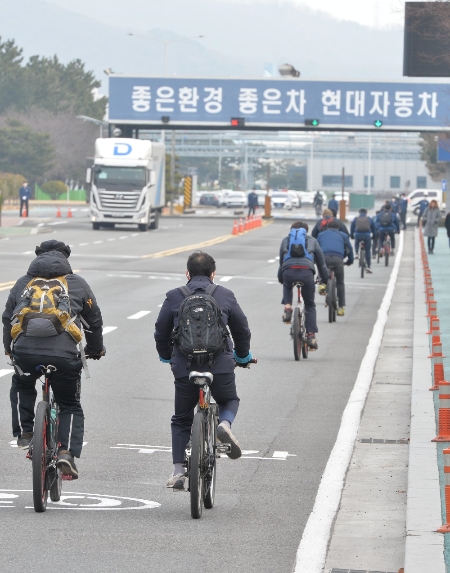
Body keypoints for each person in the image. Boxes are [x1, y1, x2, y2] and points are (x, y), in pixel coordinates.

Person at [2, 240, 105, 479]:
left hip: (25, 353)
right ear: (66, 259)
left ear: (37, 257)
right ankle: (65, 453)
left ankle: (26, 432)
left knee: (21, 384)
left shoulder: (23, 283)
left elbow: (8, 318)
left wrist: (10, 348)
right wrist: (96, 349)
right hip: (64, 356)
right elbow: (94, 321)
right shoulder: (77, 283)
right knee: (69, 404)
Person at [154, 251, 252, 490]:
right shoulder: (225, 295)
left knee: (181, 419)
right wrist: (242, 356)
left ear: (187, 273)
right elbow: (241, 330)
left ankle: (178, 471)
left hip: (185, 367)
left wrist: (167, 357)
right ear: (213, 274)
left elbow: (161, 331)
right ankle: (225, 425)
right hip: (219, 366)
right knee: (229, 400)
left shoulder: (174, 296)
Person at [277, 221, 329, 349]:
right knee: (310, 305)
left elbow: (281, 262)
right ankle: (311, 336)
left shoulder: (285, 240)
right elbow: (321, 263)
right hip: (306, 272)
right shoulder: (312, 241)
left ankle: (288, 309)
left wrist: (281, 278)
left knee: (287, 285)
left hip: (288, 271)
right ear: (306, 231)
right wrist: (325, 279)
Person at [317, 219, 354, 316]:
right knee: (340, 283)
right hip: (338, 259)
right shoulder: (343, 235)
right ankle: (341, 308)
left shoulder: (321, 235)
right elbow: (349, 249)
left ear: (328, 227)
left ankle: (322, 284)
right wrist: (349, 260)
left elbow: (316, 248)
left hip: (324, 257)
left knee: (321, 266)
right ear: (339, 228)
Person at [350, 208, 377, 273]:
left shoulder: (356, 219)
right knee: (367, 251)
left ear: (359, 213)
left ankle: (356, 253)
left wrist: (352, 235)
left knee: (356, 242)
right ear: (366, 213)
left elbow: (352, 228)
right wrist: (374, 236)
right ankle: (368, 266)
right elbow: (374, 228)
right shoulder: (369, 219)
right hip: (367, 235)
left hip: (357, 235)